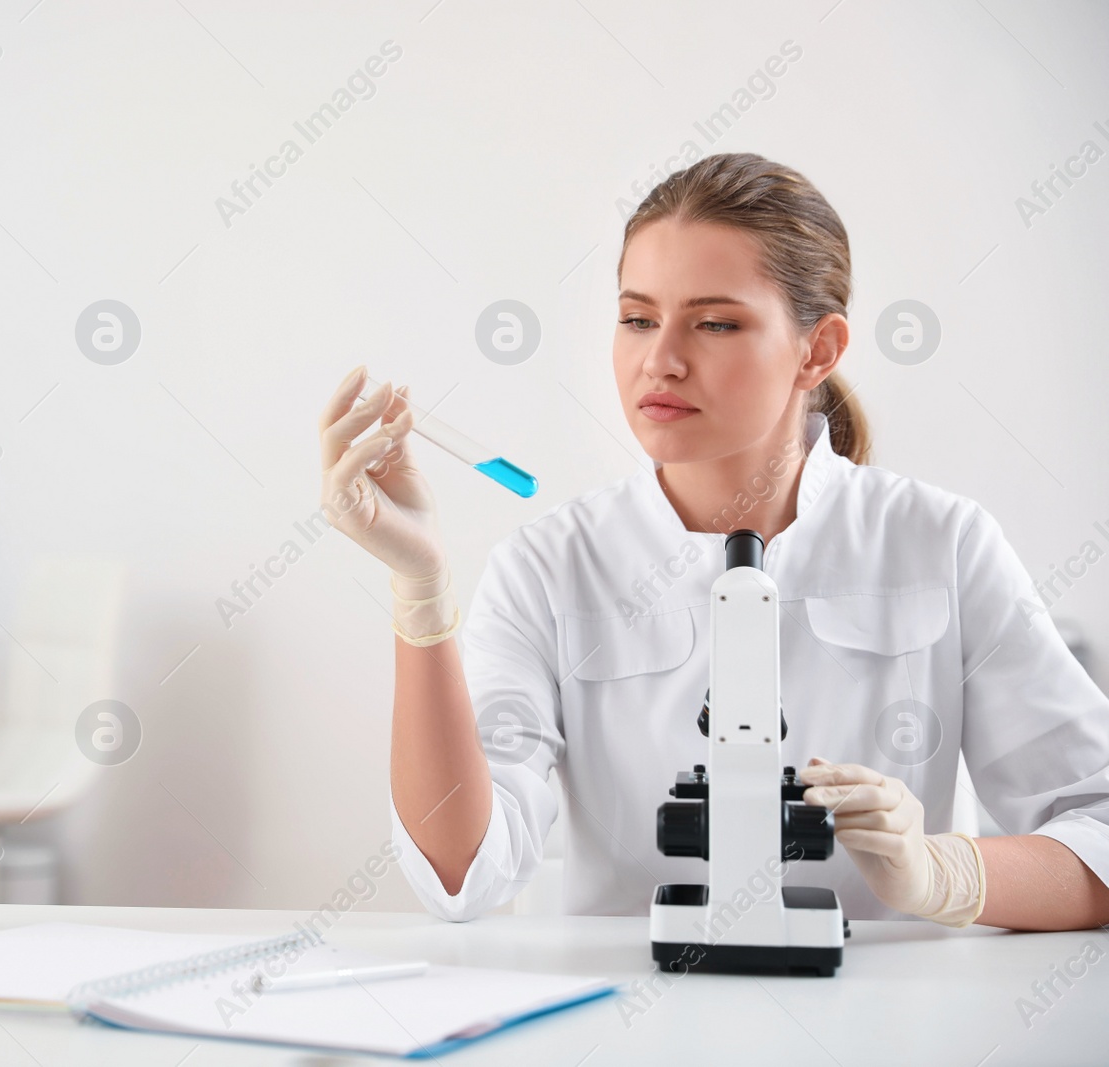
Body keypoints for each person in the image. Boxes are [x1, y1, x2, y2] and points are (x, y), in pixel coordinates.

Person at [317, 152, 1109, 930]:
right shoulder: (551, 565)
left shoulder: (941, 544)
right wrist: (419, 588)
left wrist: (943, 872)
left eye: (716, 323)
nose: (659, 361)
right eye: (637, 319)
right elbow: (460, 876)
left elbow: (1099, 836)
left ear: (819, 349)